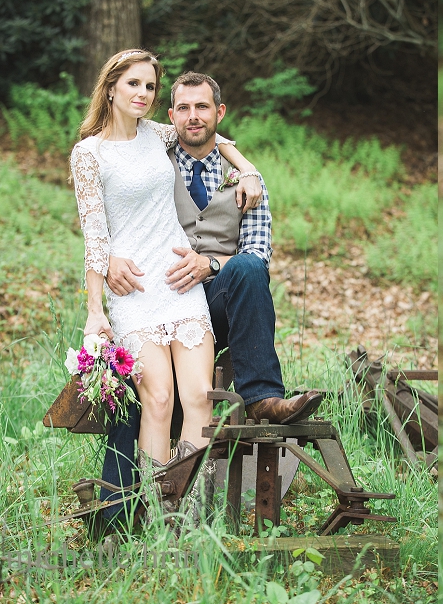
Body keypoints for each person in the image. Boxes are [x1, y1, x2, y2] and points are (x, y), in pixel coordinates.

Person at [99, 71, 322, 520]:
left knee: (246, 266)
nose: (193, 116)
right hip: (162, 297)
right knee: (145, 390)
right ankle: (125, 510)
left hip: (219, 304)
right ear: (171, 115)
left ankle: (262, 396)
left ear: (219, 113)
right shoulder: (154, 160)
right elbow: (115, 203)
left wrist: (213, 263)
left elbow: (260, 255)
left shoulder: (246, 181)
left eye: (202, 107)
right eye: (183, 107)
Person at [71, 49, 262, 497]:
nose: (142, 93)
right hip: (133, 287)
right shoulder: (89, 153)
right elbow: (94, 234)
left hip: (179, 278)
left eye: (150, 86)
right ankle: (156, 508)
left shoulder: (156, 135)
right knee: (157, 399)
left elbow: (211, 136)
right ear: (111, 88)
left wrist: (247, 169)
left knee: (198, 397)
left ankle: (190, 506)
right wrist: (95, 311)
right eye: (133, 84)